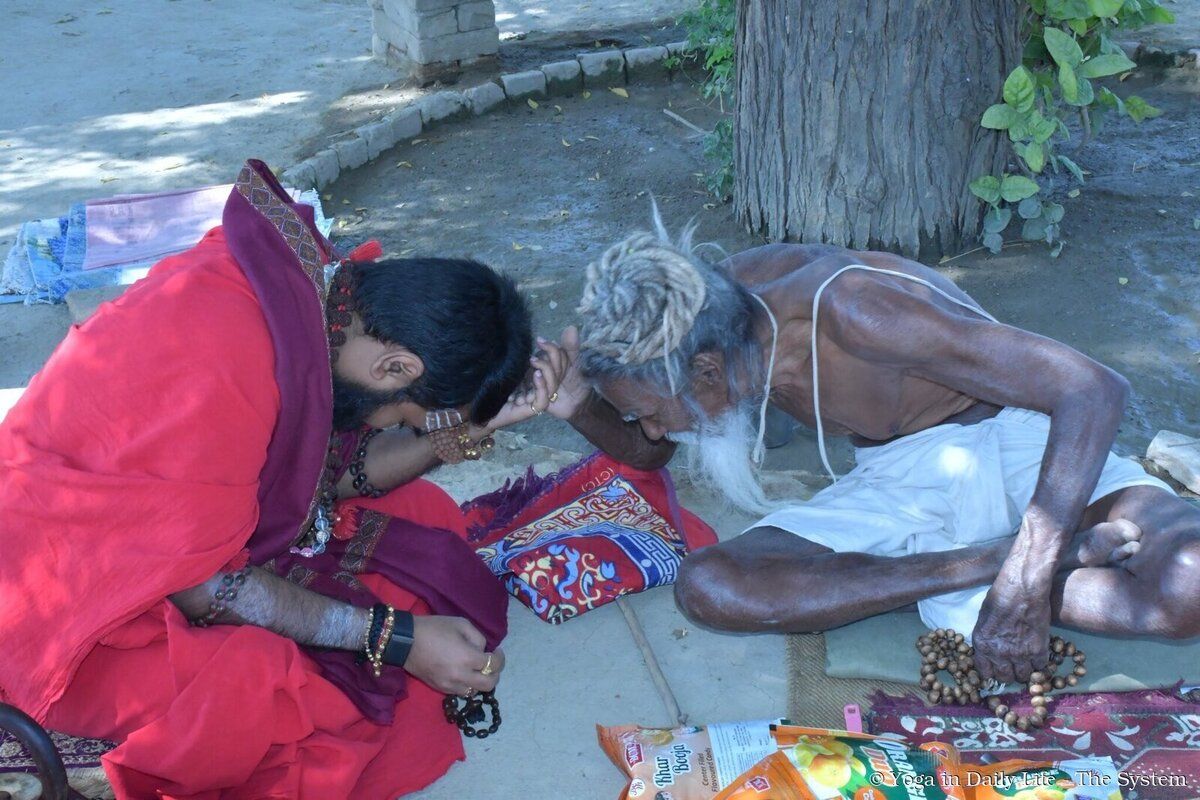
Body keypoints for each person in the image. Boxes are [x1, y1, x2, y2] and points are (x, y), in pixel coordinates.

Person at [0, 161, 569, 799]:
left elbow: (324, 479)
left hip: (179, 532)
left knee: (427, 515)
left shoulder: (322, 305)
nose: (390, 426)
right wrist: (393, 637)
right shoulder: (225, 361)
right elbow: (209, 591)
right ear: (394, 365)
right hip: (74, 585)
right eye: (402, 414)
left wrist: (467, 428)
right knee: (263, 692)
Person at [559, 214, 1200, 686]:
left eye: (648, 412)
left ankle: (1012, 565)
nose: (650, 428)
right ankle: (984, 563)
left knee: (1189, 584)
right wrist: (573, 405)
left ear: (703, 374)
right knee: (710, 587)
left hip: (1017, 441)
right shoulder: (707, 326)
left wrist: (1031, 579)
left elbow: (1091, 389)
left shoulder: (855, 309)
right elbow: (650, 453)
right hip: (895, 479)